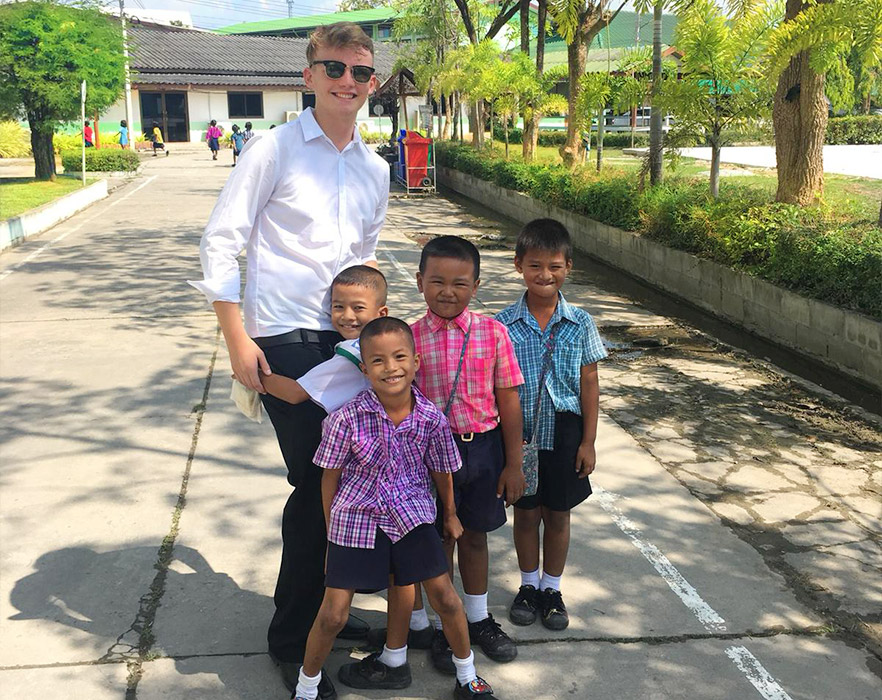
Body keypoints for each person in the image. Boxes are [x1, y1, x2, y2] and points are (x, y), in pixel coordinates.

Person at [187, 21, 389, 697]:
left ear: (373, 84)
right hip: (285, 336)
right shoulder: (273, 149)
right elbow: (222, 241)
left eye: (361, 73)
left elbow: (367, 258)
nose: (347, 82)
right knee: (317, 485)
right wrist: (236, 338)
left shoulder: (375, 167)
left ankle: (332, 608)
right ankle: (292, 637)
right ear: (309, 76)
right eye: (334, 68)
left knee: (359, 481)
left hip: (349, 341)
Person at [294, 317, 500, 700]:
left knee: (446, 599)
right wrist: (330, 535)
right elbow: (329, 478)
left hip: (412, 513)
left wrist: (451, 513)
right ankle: (306, 688)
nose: (391, 368)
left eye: (400, 357)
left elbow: (442, 470)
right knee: (334, 613)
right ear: (364, 369)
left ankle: (467, 676)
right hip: (356, 517)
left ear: (416, 362)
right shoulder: (345, 419)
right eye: (378, 361)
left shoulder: (431, 419)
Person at [402, 235, 525, 673]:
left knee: (475, 536)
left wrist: (514, 463)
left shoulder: (493, 333)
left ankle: (477, 619)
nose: (447, 292)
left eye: (459, 283)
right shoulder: (409, 338)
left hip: (483, 451)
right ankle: (441, 626)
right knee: (438, 540)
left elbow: (508, 400)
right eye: (436, 281)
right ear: (419, 282)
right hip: (429, 457)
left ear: (476, 285)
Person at [495, 219, 606, 632]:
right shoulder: (503, 324)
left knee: (558, 514)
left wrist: (588, 441)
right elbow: (495, 387)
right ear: (518, 266)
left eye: (555, 266)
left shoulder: (581, 322)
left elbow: (589, 381)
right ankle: (527, 585)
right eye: (535, 265)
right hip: (519, 433)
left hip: (565, 430)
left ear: (569, 267)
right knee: (525, 514)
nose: (545, 275)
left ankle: (551, 589)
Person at [258, 265, 387, 412]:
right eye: (338, 306)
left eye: (358, 308)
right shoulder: (389, 342)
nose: (347, 316)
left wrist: (254, 375)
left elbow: (295, 393)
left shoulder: (352, 354)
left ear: (381, 313)